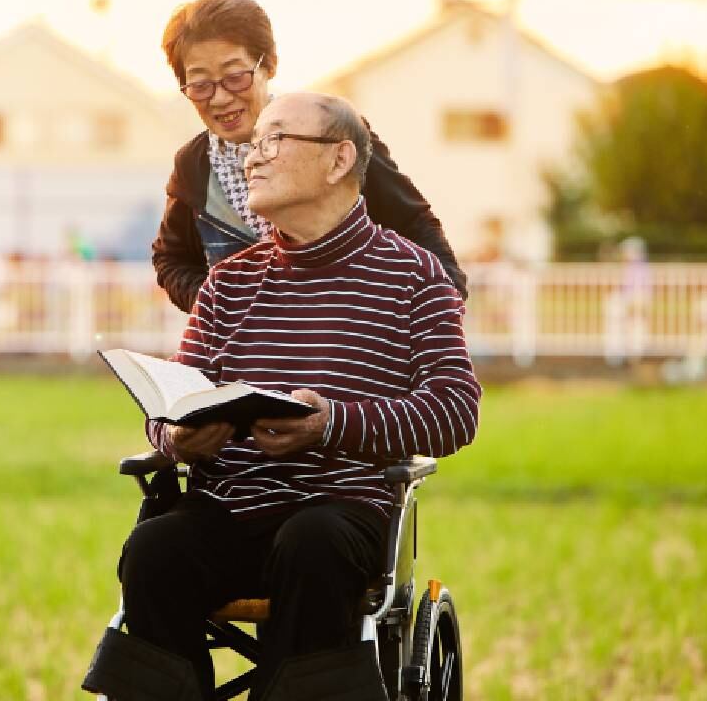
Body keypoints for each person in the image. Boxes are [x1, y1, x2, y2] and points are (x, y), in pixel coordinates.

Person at [86, 93, 481, 701]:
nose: (252, 158)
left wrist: (332, 424)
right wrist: (179, 436)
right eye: (254, 144)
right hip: (231, 509)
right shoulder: (228, 283)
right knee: (154, 550)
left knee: (310, 543)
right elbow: (172, 405)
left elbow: (456, 410)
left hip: (341, 512)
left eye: (275, 141)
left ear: (338, 159)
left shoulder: (414, 276)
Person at [152, 0, 468, 314]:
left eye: (235, 77)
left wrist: (445, 301)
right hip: (244, 358)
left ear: (269, 64)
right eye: (201, 85)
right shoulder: (194, 165)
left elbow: (412, 222)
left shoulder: (328, 134)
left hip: (343, 341)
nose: (219, 98)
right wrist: (217, 310)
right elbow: (171, 259)